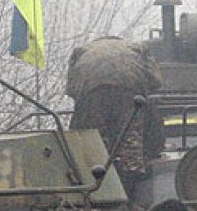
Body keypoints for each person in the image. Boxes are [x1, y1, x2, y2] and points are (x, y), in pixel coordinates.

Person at [66, 37, 164, 192]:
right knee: (129, 141)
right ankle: (131, 192)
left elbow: (71, 89)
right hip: (129, 87)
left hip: (91, 89)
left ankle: (98, 190)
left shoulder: (82, 51)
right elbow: (156, 81)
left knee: (94, 142)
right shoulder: (138, 48)